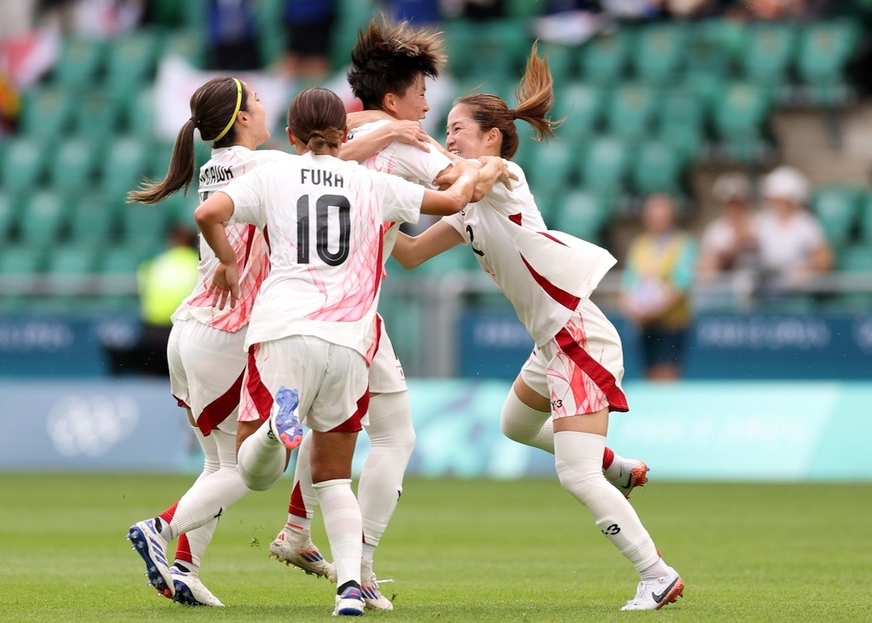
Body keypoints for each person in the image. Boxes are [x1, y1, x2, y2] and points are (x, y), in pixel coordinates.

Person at [268, 19, 650, 611]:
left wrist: (431, 169)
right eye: (424, 100)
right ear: (396, 98)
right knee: (454, 431)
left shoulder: (472, 168)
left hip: (568, 329)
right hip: (404, 319)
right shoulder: (415, 154)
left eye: (452, 125)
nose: (432, 117)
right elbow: (430, 226)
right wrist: (395, 194)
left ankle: (651, 566)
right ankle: (344, 558)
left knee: (363, 426)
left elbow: (458, 193)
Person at [122, 74, 449, 608]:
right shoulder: (268, 166)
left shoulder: (221, 165)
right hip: (231, 330)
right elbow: (331, 159)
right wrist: (392, 130)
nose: (263, 102)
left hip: (190, 329)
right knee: (244, 466)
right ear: (243, 119)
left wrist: (376, 126)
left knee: (218, 464)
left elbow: (323, 151)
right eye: (254, 99)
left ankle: (184, 565)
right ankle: (164, 530)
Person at [390, 45, 685, 611]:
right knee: (515, 423)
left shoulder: (502, 177)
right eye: (446, 129)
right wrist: (371, 208)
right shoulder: (466, 205)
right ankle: (613, 463)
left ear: (492, 137)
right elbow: (407, 254)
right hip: (552, 343)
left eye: (458, 128)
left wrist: (414, 151)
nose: (448, 137)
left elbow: (483, 176)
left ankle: (655, 573)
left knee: (573, 475)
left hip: (577, 337)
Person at [194, 86, 479, 616]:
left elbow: (208, 214)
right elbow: (456, 201)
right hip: (350, 343)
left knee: (256, 472)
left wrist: (230, 261)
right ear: (345, 135)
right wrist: (484, 169)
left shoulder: (272, 173)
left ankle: (278, 433)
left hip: (282, 331)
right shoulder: (375, 182)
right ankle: (350, 587)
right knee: (332, 476)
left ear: (291, 136)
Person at [620, 193, 698, 381]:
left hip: (671, 325)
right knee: (650, 377)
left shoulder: (683, 244)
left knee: (667, 377)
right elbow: (629, 282)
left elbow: (680, 284)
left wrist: (651, 311)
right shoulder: (640, 244)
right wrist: (631, 308)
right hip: (646, 326)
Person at [105, 224, 199, 377]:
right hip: (182, 331)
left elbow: (144, 287)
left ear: (172, 241)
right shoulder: (198, 264)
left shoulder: (156, 263)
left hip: (153, 329)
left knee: (154, 372)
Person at [753, 165, 833, 295]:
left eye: (775, 196)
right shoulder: (762, 220)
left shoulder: (806, 223)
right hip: (766, 287)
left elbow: (824, 258)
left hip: (795, 291)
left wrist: (806, 270)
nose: (771, 200)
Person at [698, 171, 759, 280]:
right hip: (725, 288)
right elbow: (706, 267)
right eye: (730, 204)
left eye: (737, 203)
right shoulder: (715, 230)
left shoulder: (758, 224)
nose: (734, 209)